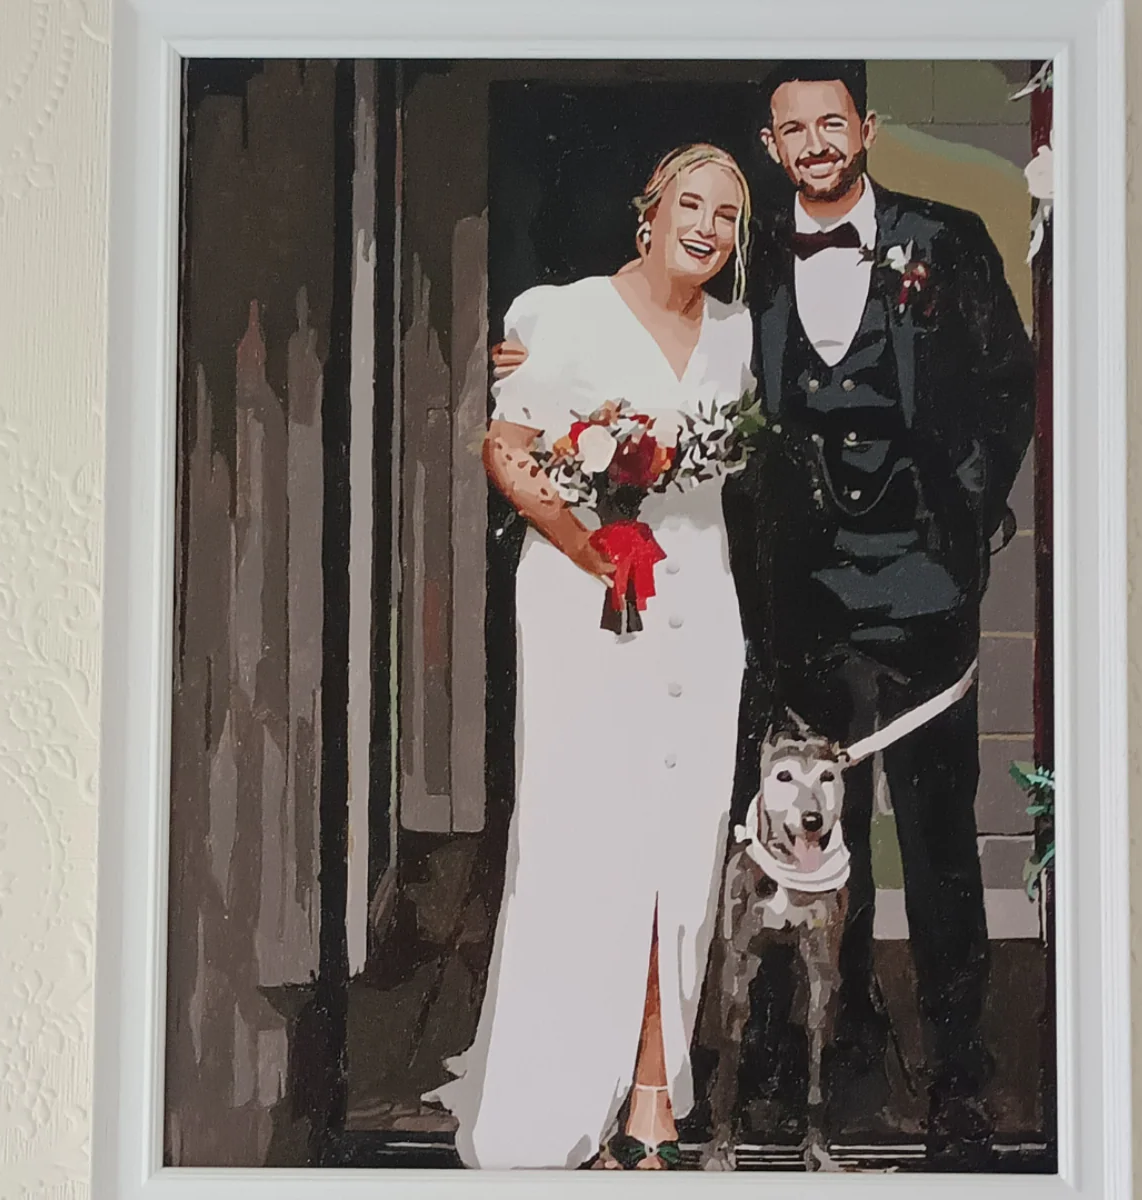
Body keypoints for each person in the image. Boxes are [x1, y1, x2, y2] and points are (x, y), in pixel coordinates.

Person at [724, 60, 1036, 1168]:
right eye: (793, 129)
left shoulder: (944, 240)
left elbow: (1009, 384)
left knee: (939, 841)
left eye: (833, 122)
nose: (815, 143)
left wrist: (968, 517)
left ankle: (958, 1081)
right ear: (771, 146)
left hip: (923, 587)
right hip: (804, 591)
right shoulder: (751, 253)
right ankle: (827, 1052)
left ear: (868, 128)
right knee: (816, 837)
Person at [425, 144, 756, 1170]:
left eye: (729, 216)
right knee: (585, 836)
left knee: (684, 837)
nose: (707, 227)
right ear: (649, 213)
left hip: (700, 596)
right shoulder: (559, 315)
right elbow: (508, 449)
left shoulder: (738, 334)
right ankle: (562, 1093)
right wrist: (586, 544)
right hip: (586, 600)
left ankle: (653, 1086)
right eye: (691, 204)